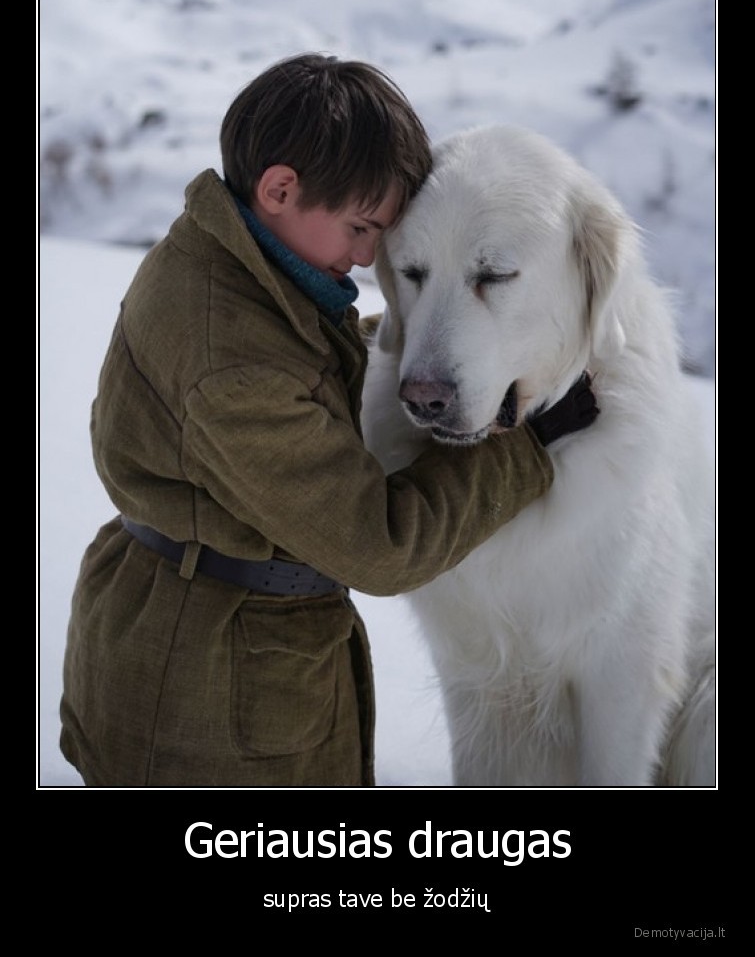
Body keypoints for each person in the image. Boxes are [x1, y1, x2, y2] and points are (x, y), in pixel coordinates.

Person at [59, 53, 599, 788]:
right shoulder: (233, 363)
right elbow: (378, 547)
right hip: (214, 696)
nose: (371, 252)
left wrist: (448, 351)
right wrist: (525, 441)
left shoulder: (227, 256)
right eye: (359, 225)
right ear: (281, 188)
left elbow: (298, 359)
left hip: (189, 633)